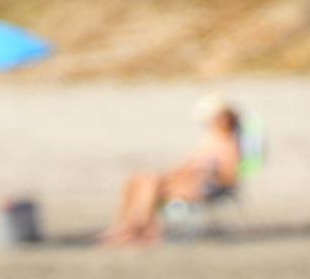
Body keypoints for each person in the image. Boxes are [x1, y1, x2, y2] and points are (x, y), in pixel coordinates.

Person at [100, 98, 244, 247]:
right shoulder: (211, 140)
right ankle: (125, 225)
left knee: (151, 184)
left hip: (203, 187)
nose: (216, 121)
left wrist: (203, 173)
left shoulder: (230, 145)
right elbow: (185, 165)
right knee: (139, 179)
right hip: (187, 180)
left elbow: (229, 177)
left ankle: (139, 229)